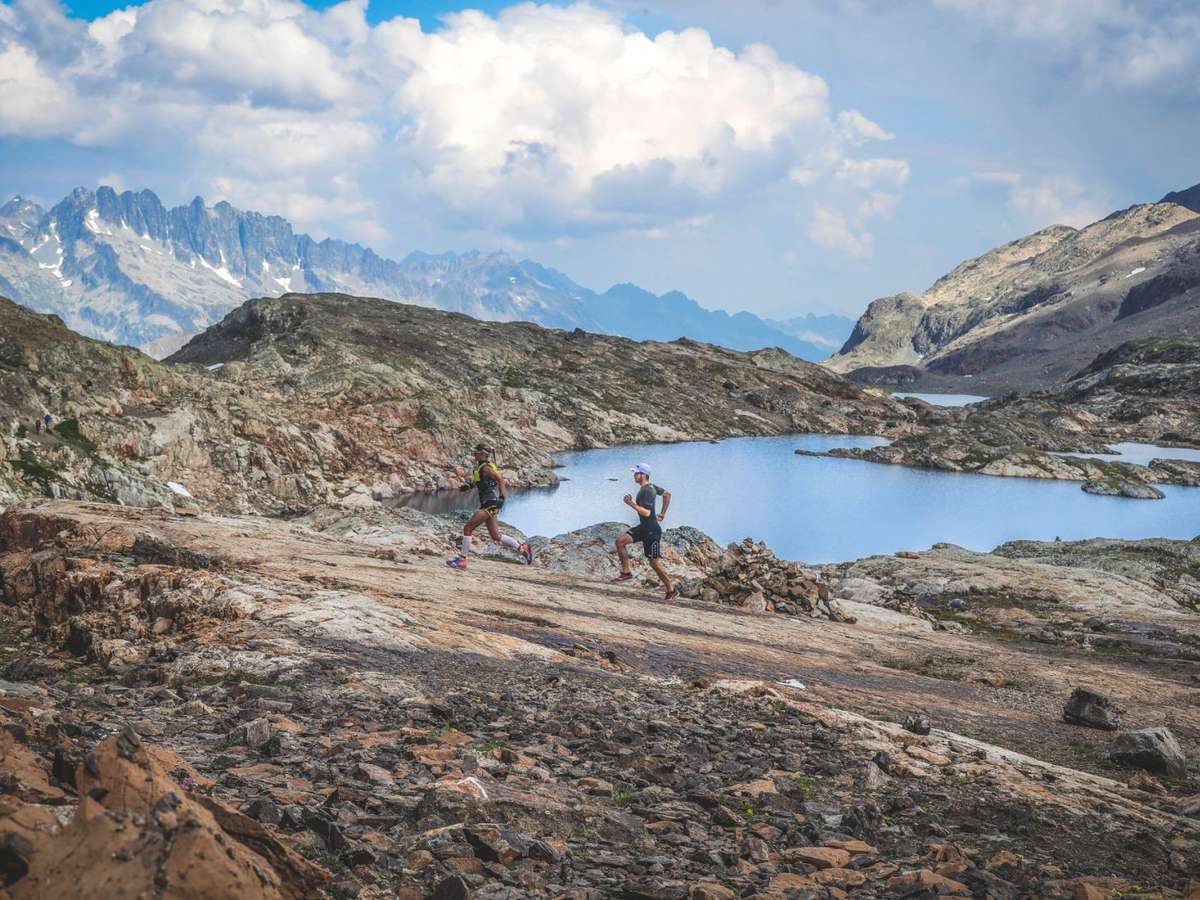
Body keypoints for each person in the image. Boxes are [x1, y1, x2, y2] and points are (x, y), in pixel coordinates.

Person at [446, 443, 534, 570]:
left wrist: (502, 499)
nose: (474, 454)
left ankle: (462, 560)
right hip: (488, 502)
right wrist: (469, 486)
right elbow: (481, 483)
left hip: (489, 503)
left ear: (483, 454)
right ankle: (523, 548)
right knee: (496, 536)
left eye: (476, 452)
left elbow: (501, 480)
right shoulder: (480, 467)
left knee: (468, 528)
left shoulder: (486, 468)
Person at [614, 463, 676, 600]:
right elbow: (667, 494)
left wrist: (630, 503)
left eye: (636, 473)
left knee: (654, 563)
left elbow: (647, 513)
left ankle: (671, 589)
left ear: (643, 475)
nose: (634, 475)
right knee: (620, 542)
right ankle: (626, 573)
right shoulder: (652, 487)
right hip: (644, 528)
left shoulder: (647, 491)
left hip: (652, 531)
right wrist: (662, 513)